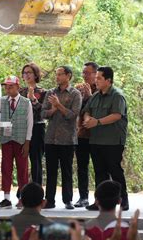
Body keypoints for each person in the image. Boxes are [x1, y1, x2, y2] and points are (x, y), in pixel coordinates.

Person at [0, 76, 33, 209]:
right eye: (6, 86)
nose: (8, 89)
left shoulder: (26, 102)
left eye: (11, 86)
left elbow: (30, 123)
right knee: (6, 168)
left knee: (22, 170)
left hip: (21, 140)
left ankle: (23, 198)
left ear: (18, 87)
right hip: (6, 139)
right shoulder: (2, 101)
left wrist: (27, 141)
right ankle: (6, 198)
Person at [83, 66, 129, 211]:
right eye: (95, 78)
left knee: (115, 171)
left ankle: (123, 200)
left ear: (108, 80)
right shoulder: (95, 96)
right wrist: (87, 119)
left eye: (99, 78)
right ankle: (100, 202)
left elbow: (116, 115)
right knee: (99, 172)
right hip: (96, 140)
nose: (95, 80)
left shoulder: (117, 96)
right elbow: (87, 111)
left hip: (113, 141)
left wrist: (96, 122)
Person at [41, 66, 82, 210]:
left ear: (68, 76)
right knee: (51, 170)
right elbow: (43, 114)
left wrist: (59, 105)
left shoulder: (75, 94)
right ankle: (49, 200)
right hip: (51, 138)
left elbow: (73, 115)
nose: (57, 77)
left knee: (67, 171)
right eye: (56, 74)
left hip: (67, 139)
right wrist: (53, 109)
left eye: (60, 74)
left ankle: (68, 200)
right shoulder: (51, 93)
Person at [74, 62, 99, 208]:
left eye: (88, 73)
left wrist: (90, 96)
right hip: (81, 134)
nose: (85, 75)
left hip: (97, 135)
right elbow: (76, 111)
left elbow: (99, 111)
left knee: (99, 168)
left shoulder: (101, 90)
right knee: (82, 167)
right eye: (83, 72)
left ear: (96, 74)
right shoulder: (78, 89)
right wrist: (84, 97)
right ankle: (83, 197)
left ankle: (101, 198)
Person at [20, 63, 47, 185]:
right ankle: (22, 192)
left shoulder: (43, 92)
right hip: (22, 129)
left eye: (29, 72)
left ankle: (37, 190)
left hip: (37, 127)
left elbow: (43, 112)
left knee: (36, 160)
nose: (27, 75)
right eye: (24, 73)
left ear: (36, 74)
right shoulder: (19, 91)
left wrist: (32, 99)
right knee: (21, 160)